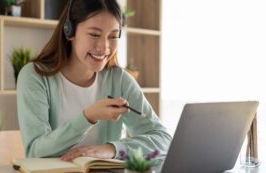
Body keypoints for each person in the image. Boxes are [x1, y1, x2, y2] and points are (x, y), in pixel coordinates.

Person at [17, 0, 172, 161]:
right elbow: (35, 151)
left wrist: (111, 149)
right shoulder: (35, 76)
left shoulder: (119, 80)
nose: (104, 47)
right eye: (94, 34)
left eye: (113, 36)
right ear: (69, 31)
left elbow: (163, 139)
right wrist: (87, 118)